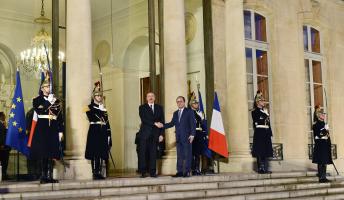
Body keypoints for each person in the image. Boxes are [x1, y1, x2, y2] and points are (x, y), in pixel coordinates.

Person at [29, 74, 64, 184]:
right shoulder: (37, 100)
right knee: (44, 153)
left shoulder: (56, 101)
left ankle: (50, 175)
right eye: (47, 86)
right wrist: (48, 101)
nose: (49, 88)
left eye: (50, 86)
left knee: (51, 152)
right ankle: (43, 175)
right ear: (42, 88)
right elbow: (40, 111)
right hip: (42, 127)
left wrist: (61, 130)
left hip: (53, 127)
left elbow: (60, 117)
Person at [163, 96, 196, 177]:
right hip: (178, 137)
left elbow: (193, 123)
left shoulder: (189, 111)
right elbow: (171, 123)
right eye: (177, 101)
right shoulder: (175, 113)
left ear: (184, 102)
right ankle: (180, 171)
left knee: (187, 154)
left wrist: (192, 135)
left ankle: (187, 171)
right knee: (180, 155)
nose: (179, 103)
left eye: (180, 101)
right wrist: (162, 126)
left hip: (187, 137)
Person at [85, 82, 112, 180]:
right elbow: (91, 118)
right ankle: (95, 172)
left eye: (101, 95)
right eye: (98, 95)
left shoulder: (103, 108)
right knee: (94, 152)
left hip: (103, 131)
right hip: (94, 131)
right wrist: (100, 110)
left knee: (101, 152)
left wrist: (109, 134)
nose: (100, 97)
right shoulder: (89, 107)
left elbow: (107, 122)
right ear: (94, 96)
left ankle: (99, 171)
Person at [138, 92, 164, 178]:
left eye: (152, 96)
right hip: (145, 134)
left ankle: (153, 172)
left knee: (153, 153)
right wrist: (154, 123)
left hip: (155, 134)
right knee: (143, 153)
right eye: (149, 96)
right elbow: (144, 119)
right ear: (146, 98)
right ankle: (143, 171)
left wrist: (161, 134)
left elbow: (162, 122)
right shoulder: (142, 107)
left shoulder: (159, 108)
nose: (150, 97)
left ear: (155, 98)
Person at [251, 91, 273, 174]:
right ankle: (261, 168)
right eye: (262, 101)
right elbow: (257, 120)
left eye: (264, 100)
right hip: (260, 132)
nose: (264, 102)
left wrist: (270, 132)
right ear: (258, 102)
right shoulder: (255, 111)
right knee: (260, 150)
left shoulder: (265, 111)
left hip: (266, 132)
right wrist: (264, 114)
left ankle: (265, 168)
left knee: (265, 150)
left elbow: (268, 122)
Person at [312, 105, 333, 183]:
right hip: (320, 145)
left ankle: (324, 177)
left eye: (324, 114)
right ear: (318, 116)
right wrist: (325, 129)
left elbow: (327, 135)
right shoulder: (316, 125)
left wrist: (329, 142)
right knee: (321, 161)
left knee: (325, 161)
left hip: (325, 144)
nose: (324, 115)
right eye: (322, 114)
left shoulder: (324, 124)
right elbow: (319, 134)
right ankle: (321, 177)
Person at [189, 99, 206, 176]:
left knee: (198, 152)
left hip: (199, 133)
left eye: (197, 103)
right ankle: (193, 169)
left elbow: (203, 124)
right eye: (194, 103)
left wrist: (205, 133)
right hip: (192, 133)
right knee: (192, 152)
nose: (196, 104)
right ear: (191, 104)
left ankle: (197, 169)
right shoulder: (189, 112)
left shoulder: (200, 113)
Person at [0, 112, 10, 180]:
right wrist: (1, 144)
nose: (5, 117)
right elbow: (1, 136)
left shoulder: (2, 124)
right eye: (3, 116)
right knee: (3, 162)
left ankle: (4, 174)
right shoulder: (0, 124)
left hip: (5, 147)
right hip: (2, 147)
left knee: (5, 162)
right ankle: (3, 175)